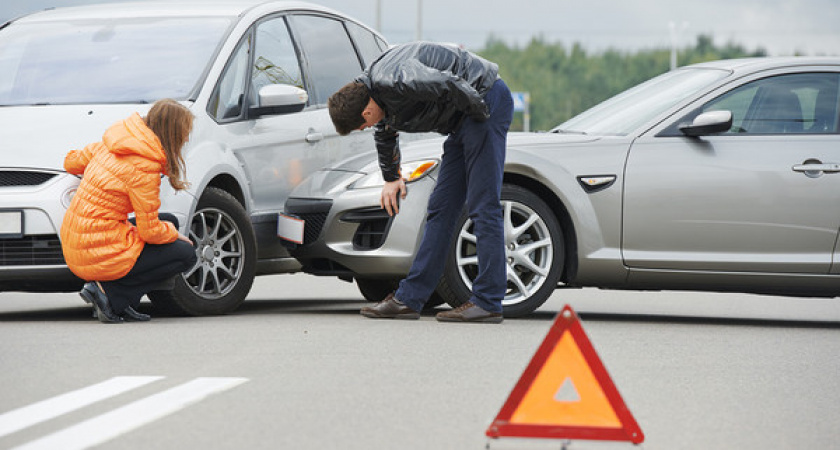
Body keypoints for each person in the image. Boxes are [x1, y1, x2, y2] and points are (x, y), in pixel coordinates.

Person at [328, 42, 513, 323]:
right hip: (464, 120)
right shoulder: (374, 91)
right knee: (440, 208)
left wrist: (480, 119)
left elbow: (449, 83)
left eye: (361, 126)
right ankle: (410, 299)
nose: (367, 128)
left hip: (483, 105)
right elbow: (385, 131)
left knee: (482, 204)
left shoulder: (397, 79)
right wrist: (391, 178)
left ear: (365, 113)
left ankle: (488, 301)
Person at [60, 99, 198, 323]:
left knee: (169, 220)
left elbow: (71, 162)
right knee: (185, 253)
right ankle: (112, 295)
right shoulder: (145, 167)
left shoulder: (113, 142)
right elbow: (150, 232)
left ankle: (117, 298)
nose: (186, 139)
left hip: (76, 238)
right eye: (184, 133)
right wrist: (174, 233)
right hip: (96, 249)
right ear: (172, 134)